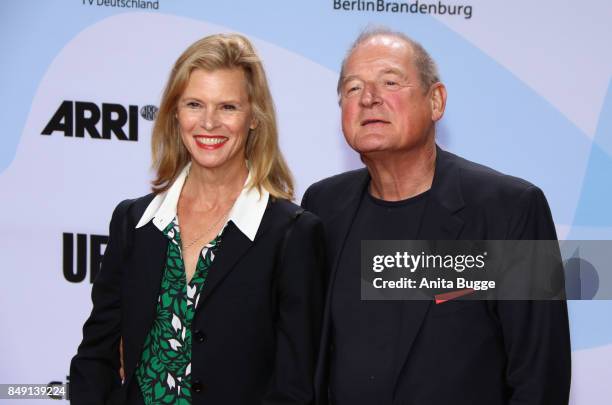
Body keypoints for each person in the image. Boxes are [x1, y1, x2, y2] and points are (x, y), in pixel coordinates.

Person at [301, 28, 571, 405]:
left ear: (436, 101)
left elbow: (540, 377)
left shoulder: (511, 208)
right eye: (353, 88)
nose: (369, 99)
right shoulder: (322, 205)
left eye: (390, 82)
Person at [71, 33, 325, 405]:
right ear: (175, 113)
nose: (209, 123)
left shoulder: (292, 235)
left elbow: (295, 388)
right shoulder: (134, 222)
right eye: (194, 104)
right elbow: (95, 357)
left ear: (254, 117)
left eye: (228, 107)